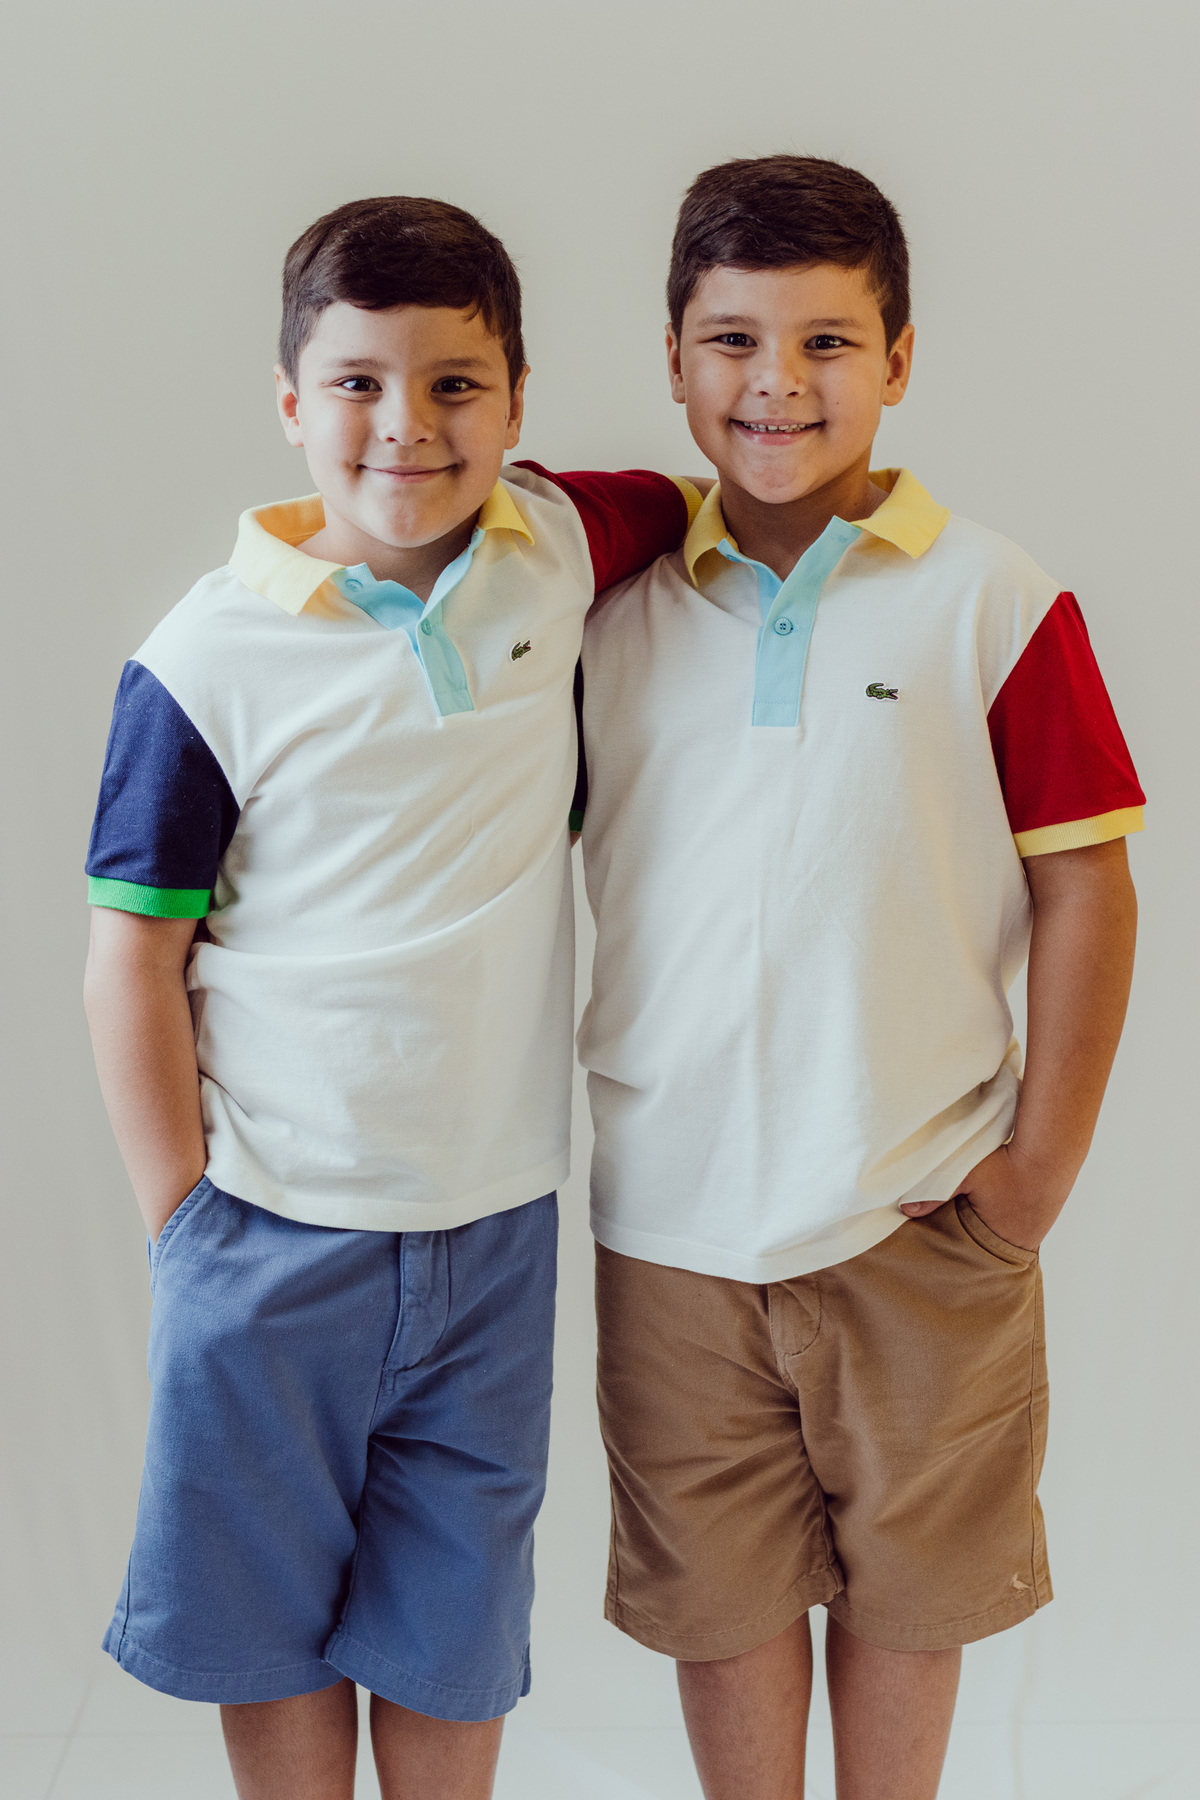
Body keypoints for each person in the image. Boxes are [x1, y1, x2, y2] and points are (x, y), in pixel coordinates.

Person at [83, 194, 697, 1800]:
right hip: (266, 1227)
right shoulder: (204, 659)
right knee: (269, 1628)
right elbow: (131, 951)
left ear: (517, 401)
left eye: (453, 384)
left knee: (452, 1627)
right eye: (357, 382)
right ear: (291, 402)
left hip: (493, 1228)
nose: (406, 426)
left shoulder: (556, 544)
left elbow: (702, 503)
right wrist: (181, 1220)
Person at [576, 155, 1144, 1800]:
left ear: (900, 358)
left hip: (919, 1210)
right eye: (733, 341)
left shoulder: (995, 598)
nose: (778, 382)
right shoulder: (604, 611)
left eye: (827, 342)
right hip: (671, 1225)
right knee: (720, 1604)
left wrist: (1036, 1174)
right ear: (673, 358)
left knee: (912, 1600)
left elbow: (1087, 884)